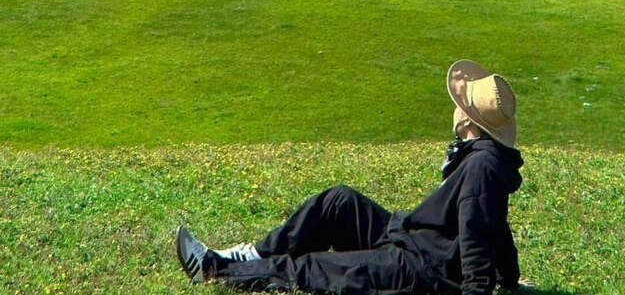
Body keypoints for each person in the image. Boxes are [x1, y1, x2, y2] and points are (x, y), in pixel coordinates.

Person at [176, 60, 523, 295]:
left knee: (312, 268)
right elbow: (498, 225)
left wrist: (480, 288)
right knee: (338, 201)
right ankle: (250, 255)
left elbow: (478, 230)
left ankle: (214, 270)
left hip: (422, 269)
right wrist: (510, 280)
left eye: (460, 104)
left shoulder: (481, 167)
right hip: (409, 240)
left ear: (467, 120)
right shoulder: (477, 158)